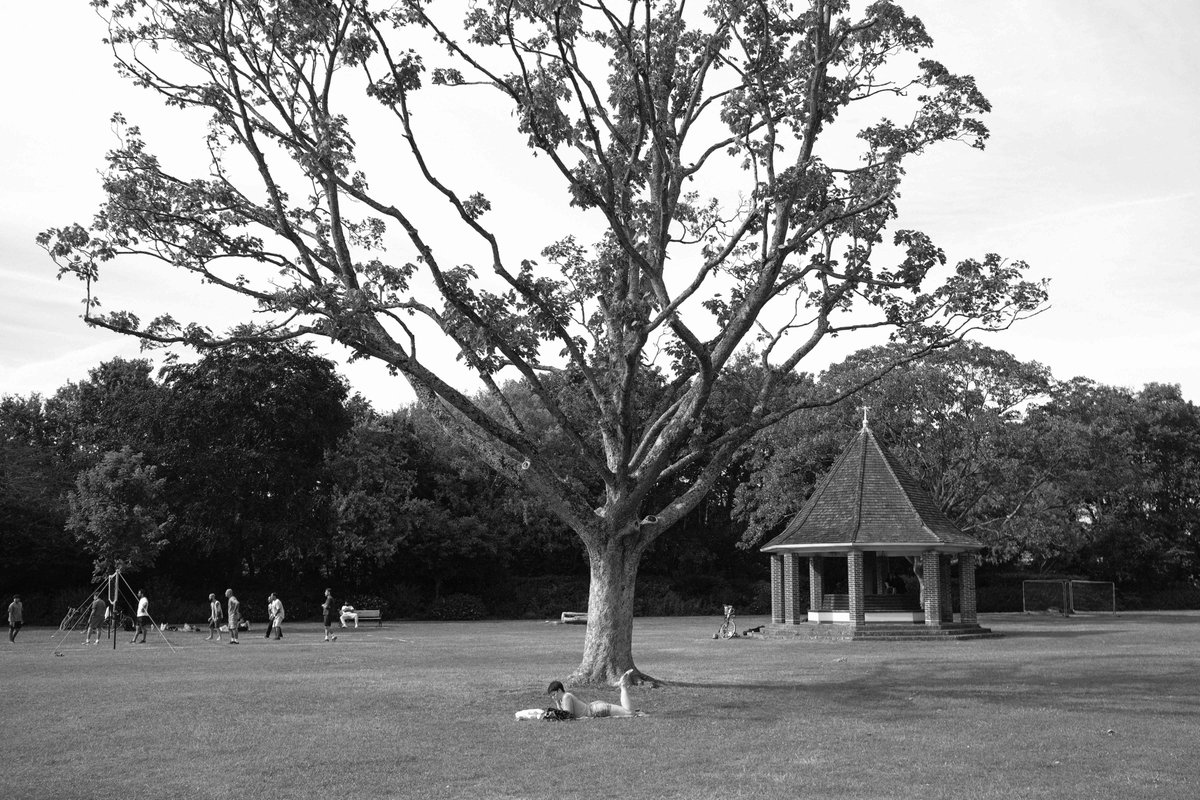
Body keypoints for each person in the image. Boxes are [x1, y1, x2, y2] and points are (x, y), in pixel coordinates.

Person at [546, 670, 642, 718]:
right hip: (595, 709)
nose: (553, 697)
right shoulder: (564, 698)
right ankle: (622, 686)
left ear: (559, 690)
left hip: (596, 710)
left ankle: (623, 686)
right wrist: (557, 703)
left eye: (554, 694)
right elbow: (564, 713)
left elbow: (567, 715)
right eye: (551, 696)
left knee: (630, 713)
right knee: (628, 712)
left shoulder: (566, 696)